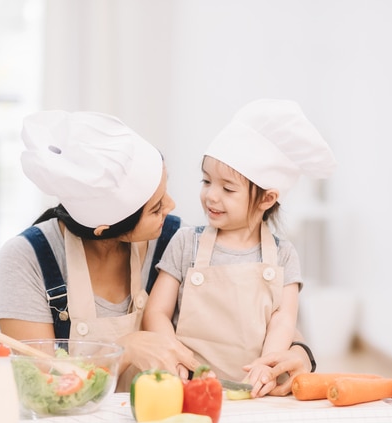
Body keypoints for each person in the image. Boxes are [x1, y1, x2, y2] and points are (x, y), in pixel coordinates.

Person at [0, 109, 315, 393]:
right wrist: (123, 350)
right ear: (107, 228)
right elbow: (41, 382)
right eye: (157, 207)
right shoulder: (27, 260)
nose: (173, 207)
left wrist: (299, 352)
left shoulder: (174, 236)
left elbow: (251, 315)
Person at [143, 99, 336, 397]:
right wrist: (171, 356)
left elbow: (283, 320)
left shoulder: (283, 255)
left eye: (228, 188)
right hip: (189, 386)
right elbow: (156, 311)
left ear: (267, 199)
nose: (211, 195)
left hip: (253, 392)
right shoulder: (185, 243)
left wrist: (266, 365)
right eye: (206, 181)